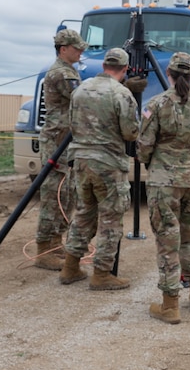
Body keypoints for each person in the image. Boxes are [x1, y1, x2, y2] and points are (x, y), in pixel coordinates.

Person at [137, 52, 190, 324]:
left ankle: (170, 305)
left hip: (165, 181)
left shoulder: (156, 104)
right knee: (189, 236)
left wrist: (154, 162)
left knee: (167, 241)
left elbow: (144, 146)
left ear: (169, 74)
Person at [58, 47, 140, 289]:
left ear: (104, 66)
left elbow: (71, 123)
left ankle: (70, 267)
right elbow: (130, 132)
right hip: (108, 163)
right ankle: (102, 274)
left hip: (81, 162)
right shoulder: (121, 94)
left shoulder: (80, 89)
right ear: (125, 70)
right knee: (110, 219)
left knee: (83, 214)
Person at [34, 28, 87, 270]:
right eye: (77, 48)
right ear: (63, 49)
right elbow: (85, 99)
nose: (81, 52)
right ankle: (44, 248)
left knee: (66, 194)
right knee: (53, 195)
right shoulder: (61, 74)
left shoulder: (70, 70)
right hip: (57, 141)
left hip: (67, 140)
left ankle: (56, 243)